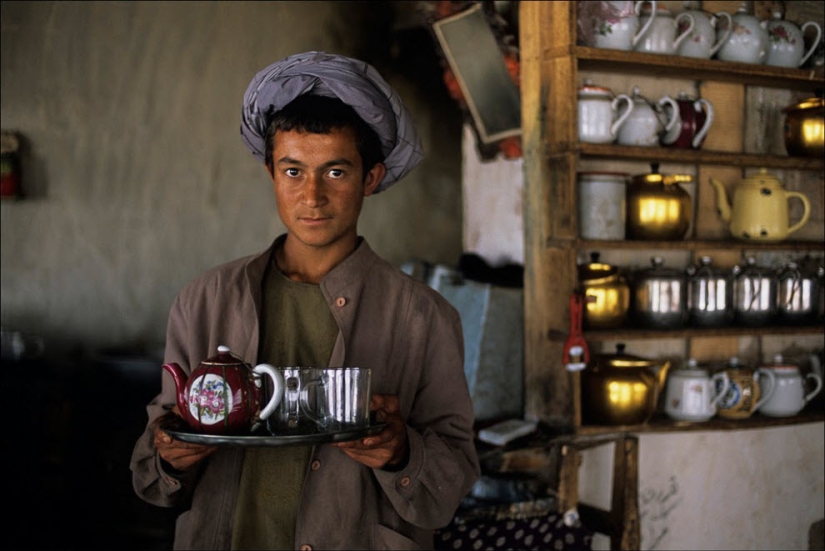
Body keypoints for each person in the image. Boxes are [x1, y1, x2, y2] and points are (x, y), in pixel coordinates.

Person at [130, 51, 480, 550]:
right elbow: (152, 474)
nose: (312, 195)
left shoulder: (423, 317)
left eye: (335, 172)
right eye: (293, 171)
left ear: (371, 178)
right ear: (271, 171)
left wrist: (402, 453)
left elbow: (451, 481)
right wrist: (169, 454)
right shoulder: (205, 300)